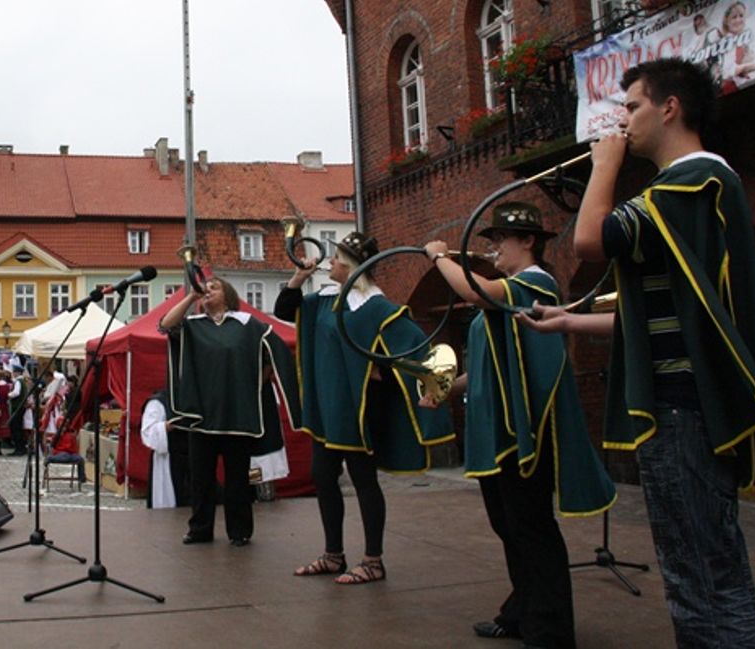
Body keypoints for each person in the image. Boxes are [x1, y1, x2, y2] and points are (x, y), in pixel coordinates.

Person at [563, 57, 755, 647]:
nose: (624, 122)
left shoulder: (692, 180)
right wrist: (568, 321)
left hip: (683, 411)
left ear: (669, 107)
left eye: (632, 107)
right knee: (701, 571)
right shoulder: (695, 186)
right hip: (687, 410)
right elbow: (667, 311)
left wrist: (605, 166)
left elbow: (589, 240)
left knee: (701, 575)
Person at [424, 202, 615, 649]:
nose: (493, 251)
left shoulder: (534, 283)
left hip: (524, 429)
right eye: (489, 243)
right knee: (510, 526)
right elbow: (489, 365)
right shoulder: (506, 291)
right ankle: (521, 612)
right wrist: (444, 390)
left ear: (528, 241)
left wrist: (439, 257)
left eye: (499, 242)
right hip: (499, 432)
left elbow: (475, 292)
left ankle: (549, 629)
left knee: (530, 527)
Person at [275, 232, 455, 585]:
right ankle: (333, 554)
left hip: (357, 408)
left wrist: (385, 371)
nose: (331, 263)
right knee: (323, 476)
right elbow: (284, 310)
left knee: (362, 479)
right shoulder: (327, 301)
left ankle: (373, 560)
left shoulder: (378, 308)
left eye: (337, 258)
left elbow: (413, 349)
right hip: (328, 405)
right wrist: (299, 276)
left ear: (354, 266)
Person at [158, 276, 296, 547]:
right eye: (205, 288)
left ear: (228, 295)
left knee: (237, 479)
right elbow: (165, 325)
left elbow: (276, 351)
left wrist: (258, 380)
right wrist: (190, 297)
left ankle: (240, 531)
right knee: (201, 479)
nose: (208, 290)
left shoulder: (248, 325)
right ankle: (200, 528)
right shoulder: (193, 326)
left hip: (237, 414)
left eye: (214, 287)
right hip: (202, 416)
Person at [139, 389, 190, 509]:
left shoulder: (193, 398)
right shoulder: (158, 402)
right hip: (168, 457)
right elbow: (148, 432)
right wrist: (167, 426)